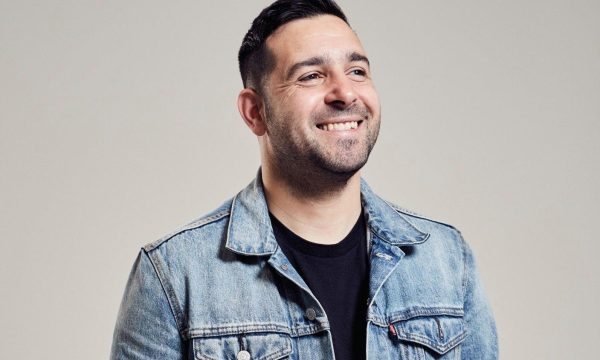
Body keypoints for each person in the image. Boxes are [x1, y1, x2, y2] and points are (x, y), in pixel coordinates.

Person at [110, 0, 498, 359]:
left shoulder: (446, 260)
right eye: (311, 76)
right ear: (254, 112)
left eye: (357, 71)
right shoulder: (174, 275)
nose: (345, 92)